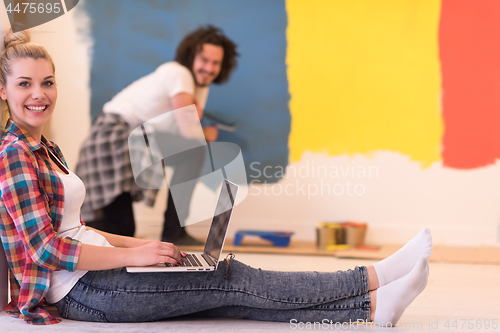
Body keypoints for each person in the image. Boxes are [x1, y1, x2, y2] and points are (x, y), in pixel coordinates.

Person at [0, 28, 432, 326]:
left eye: (47, 82)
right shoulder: (16, 153)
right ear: (4, 91)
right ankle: (373, 277)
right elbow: (44, 247)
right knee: (229, 278)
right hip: (83, 291)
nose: (39, 94)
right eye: (24, 84)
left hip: (93, 277)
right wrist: (134, 256)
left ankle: (372, 307)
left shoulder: (46, 150)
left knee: (229, 295)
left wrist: (143, 248)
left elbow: (76, 230)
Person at [74, 25, 238, 245]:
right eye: (204, 59)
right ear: (191, 57)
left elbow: (182, 129)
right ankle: (173, 233)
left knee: (123, 230)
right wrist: (207, 132)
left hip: (135, 139)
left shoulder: (199, 87)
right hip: (112, 137)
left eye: (215, 63)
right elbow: (189, 132)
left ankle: (173, 232)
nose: (209, 68)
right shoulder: (179, 73)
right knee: (120, 230)